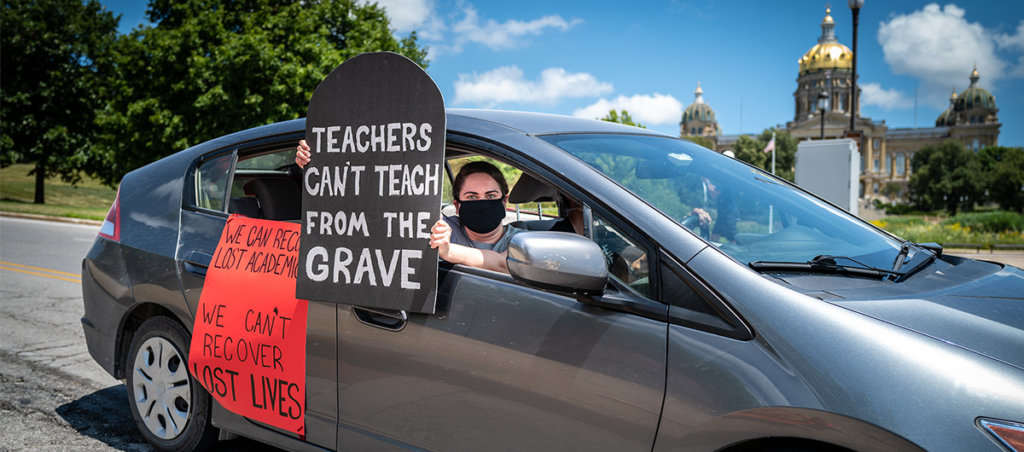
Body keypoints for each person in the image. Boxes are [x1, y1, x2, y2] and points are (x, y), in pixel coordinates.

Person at [295, 141, 521, 273]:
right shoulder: (438, 226)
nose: (481, 202)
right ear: (457, 205)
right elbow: (374, 209)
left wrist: (448, 250)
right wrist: (322, 164)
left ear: (505, 200)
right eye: (471, 197)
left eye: (490, 195)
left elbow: (503, 264)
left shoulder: (523, 243)